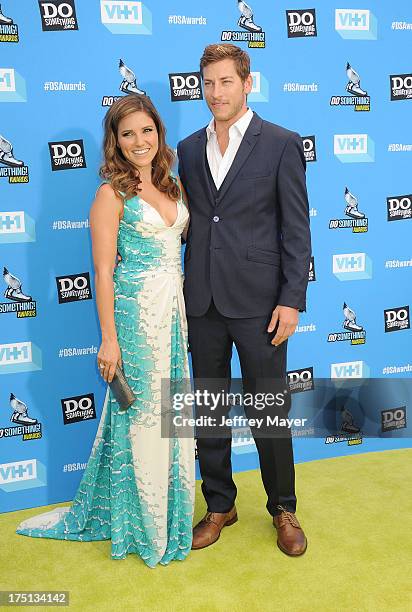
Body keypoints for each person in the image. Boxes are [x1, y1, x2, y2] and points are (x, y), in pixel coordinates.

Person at [16, 94, 195, 568]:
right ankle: (144, 527)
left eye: (147, 130)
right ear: (115, 142)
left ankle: (168, 517)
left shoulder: (172, 184)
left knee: (171, 418)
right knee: (142, 421)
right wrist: (109, 339)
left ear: (159, 132)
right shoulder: (110, 195)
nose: (140, 141)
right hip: (136, 319)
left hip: (173, 316)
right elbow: (102, 272)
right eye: (128, 133)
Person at [177, 43, 311, 556]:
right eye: (207, 83)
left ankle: (283, 507)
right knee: (208, 412)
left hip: (260, 304)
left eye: (225, 82)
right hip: (202, 301)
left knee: (268, 413)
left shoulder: (280, 143)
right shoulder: (188, 148)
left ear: (247, 83)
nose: (215, 93)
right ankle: (219, 505)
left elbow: (297, 231)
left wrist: (291, 299)